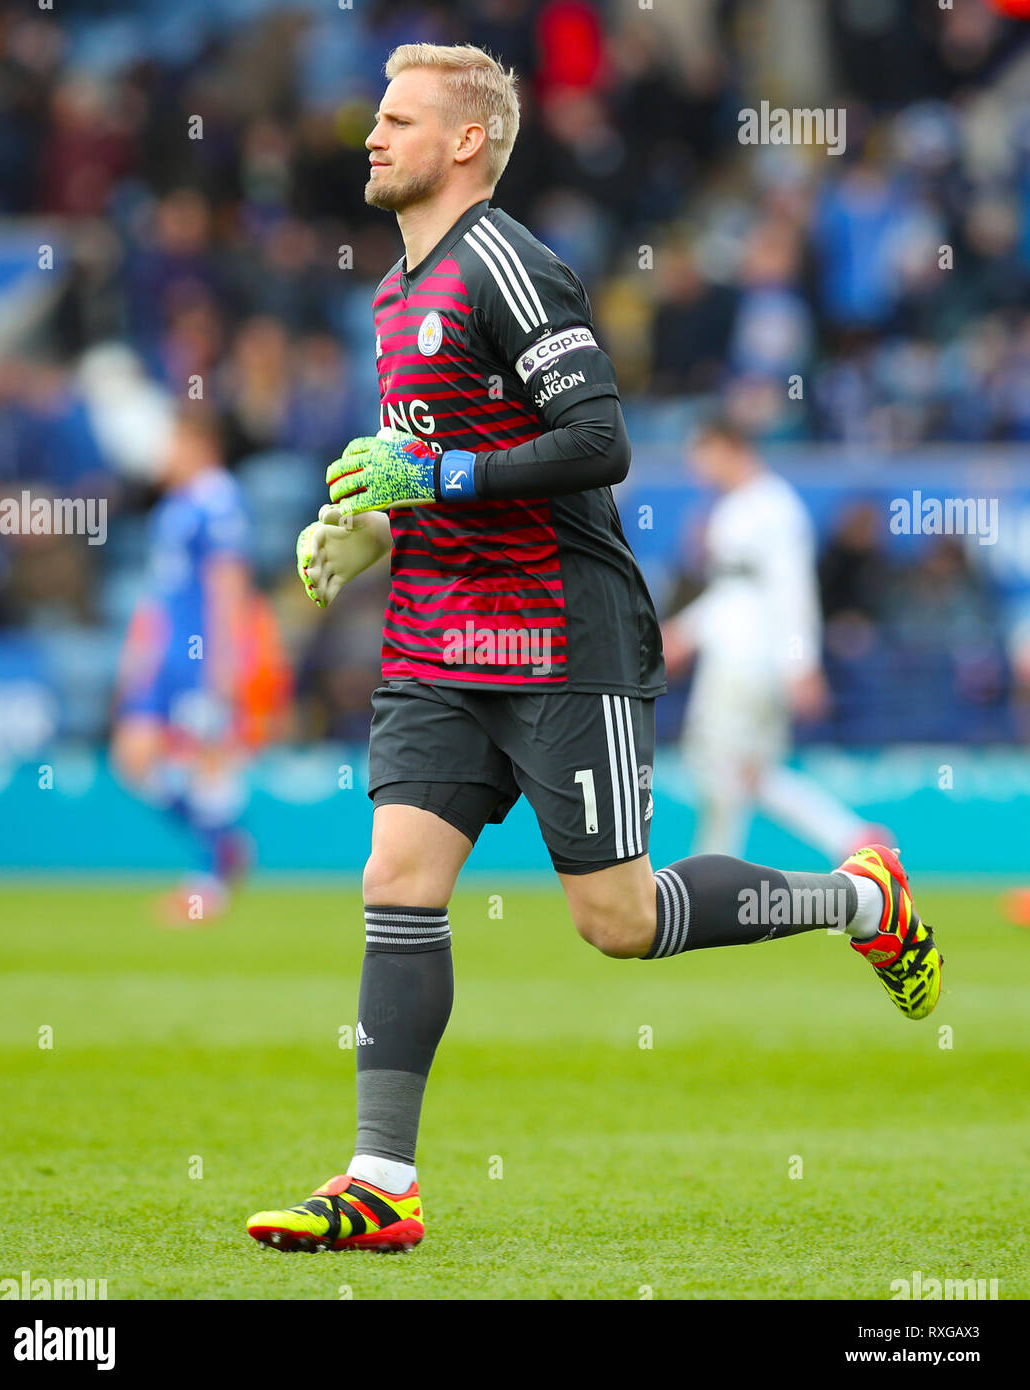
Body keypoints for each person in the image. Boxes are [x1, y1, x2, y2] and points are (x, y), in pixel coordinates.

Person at [246, 44, 942, 1256]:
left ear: (465, 142)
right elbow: (427, 457)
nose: (372, 136)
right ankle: (380, 1178)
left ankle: (857, 896)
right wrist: (376, 523)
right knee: (395, 880)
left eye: (398, 118)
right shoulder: (392, 293)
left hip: (560, 632)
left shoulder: (506, 265)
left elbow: (599, 438)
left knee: (617, 921)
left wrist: (441, 475)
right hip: (433, 633)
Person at [662, 419, 891, 861]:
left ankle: (710, 873)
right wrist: (686, 633)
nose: (697, 470)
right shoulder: (740, 508)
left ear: (730, 447)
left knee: (715, 763)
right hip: (745, 657)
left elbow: (793, 591)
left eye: (702, 456)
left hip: (747, 662)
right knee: (751, 773)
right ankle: (854, 838)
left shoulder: (771, 507)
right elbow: (735, 594)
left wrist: (801, 663)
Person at [111, 406, 289, 923]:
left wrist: (225, 662)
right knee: (133, 757)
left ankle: (208, 885)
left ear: (199, 445)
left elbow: (228, 583)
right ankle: (225, 844)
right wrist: (138, 657)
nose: (163, 455)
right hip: (164, 655)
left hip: (200, 654)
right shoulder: (176, 505)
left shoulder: (218, 499)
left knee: (207, 759)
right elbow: (159, 594)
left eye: (173, 443)